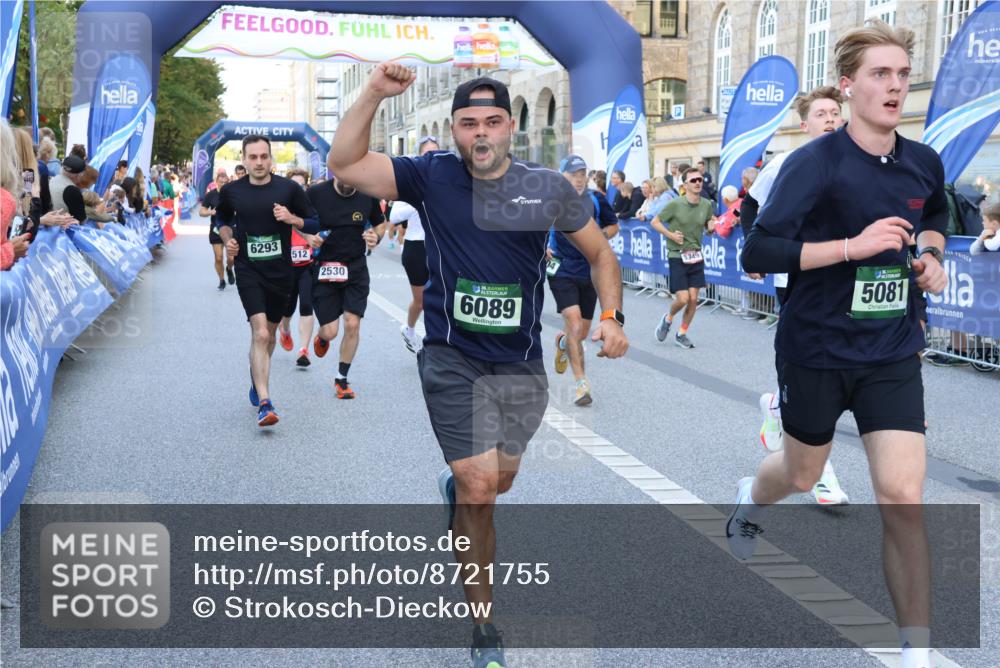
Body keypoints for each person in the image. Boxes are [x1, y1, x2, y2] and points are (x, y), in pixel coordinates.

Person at [328, 65, 628, 668]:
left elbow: (600, 253)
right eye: (468, 123)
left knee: (503, 480)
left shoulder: (548, 188)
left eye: (492, 121)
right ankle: (484, 627)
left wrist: (613, 316)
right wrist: (374, 95)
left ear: (510, 128)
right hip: (450, 353)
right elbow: (344, 164)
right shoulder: (430, 175)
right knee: (480, 486)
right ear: (457, 131)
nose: (480, 132)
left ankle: (458, 491)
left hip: (518, 362)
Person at [736, 21, 948, 668]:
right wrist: (851, 248)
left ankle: (915, 651)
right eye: (880, 74)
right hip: (819, 348)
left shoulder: (922, 160)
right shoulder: (813, 164)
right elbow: (757, 251)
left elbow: (935, 214)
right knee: (801, 474)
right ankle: (751, 496)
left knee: (903, 498)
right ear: (849, 85)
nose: (894, 86)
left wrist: (932, 256)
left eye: (902, 74)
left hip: (890, 350)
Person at [739, 85, 851, 506]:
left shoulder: (859, 164)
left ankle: (776, 405)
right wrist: (752, 251)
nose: (829, 119)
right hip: (800, 284)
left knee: (834, 374)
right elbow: (750, 205)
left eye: (834, 113)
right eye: (820, 113)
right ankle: (821, 473)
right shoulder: (788, 163)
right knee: (814, 374)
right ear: (805, 125)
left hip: (846, 284)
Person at [215, 135, 318, 427]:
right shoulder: (232, 191)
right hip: (248, 269)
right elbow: (221, 220)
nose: (259, 162)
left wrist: (292, 219)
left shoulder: (289, 189)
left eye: (264, 156)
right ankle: (265, 401)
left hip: (281, 272)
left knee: (270, 335)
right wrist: (229, 238)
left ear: (270, 158)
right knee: (260, 333)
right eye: (253, 157)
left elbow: (314, 221)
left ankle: (256, 375)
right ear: (244, 159)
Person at [305, 174, 385, 399]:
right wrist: (307, 236)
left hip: (356, 268)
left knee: (352, 324)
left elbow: (380, 223)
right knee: (330, 332)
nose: (350, 182)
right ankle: (321, 337)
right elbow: (297, 220)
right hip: (325, 267)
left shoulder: (367, 194)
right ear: (336, 172)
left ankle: (341, 379)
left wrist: (376, 237)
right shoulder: (315, 194)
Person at [548, 154, 620, 405]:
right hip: (561, 269)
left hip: (589, 270)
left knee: (580, 331)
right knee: (575, 324)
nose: (578, 180)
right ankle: (582, 385)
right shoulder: (550, 198)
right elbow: (536, 225)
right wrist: (542, 246)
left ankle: (564, 341)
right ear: (562, 176)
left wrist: (598, 235)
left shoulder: (597, 200)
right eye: (573, 175)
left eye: (582, 175)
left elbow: (613, 225)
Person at [652, 167, 716, 349]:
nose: (698, 183)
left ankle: (682, 333)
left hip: (696, 255)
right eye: (693, 180)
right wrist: (670, 235)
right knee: (683, 299)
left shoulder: (706, 204)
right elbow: (654, 222)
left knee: (694, 299)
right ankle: (668, 318)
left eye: (700, 180)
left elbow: (708, 228)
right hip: (677, 255)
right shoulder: (675, 204)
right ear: (685, 184)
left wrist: (710, 228)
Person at [278, 169, 319, 367]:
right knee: (287, 309)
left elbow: (319, 225)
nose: (298, 187)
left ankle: (304, 350)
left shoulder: (310, 207)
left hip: (306, 264)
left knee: (306, 305)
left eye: (301, 184)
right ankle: (285, 330)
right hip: (285, 265)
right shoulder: (279, 207)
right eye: (294, 184)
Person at [200, 171, 235, 290]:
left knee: (231, 257)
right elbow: (201, 211)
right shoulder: (211, 195)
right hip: (216, 229)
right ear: (216, 182)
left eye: (225, 183)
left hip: (231, 229)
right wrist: (210, 212)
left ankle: (229, 269)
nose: (223, 184)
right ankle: (221, 280)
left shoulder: (233, 195)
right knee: (218, 257)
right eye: (221, 182)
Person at [48, 155, 88, 223]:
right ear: (80, 174)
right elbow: (81, 219)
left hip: (49, 223)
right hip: (63, 228)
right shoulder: (72, 190)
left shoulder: (52, 180)